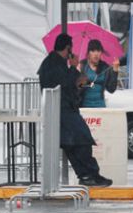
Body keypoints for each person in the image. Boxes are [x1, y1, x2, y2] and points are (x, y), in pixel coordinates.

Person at [37, 33, 113, 187]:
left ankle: (88, 175)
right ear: (68, 48)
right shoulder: (53, 63)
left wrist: (78, 75)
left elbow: (76, 82)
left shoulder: (56, 62)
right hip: (62, 110)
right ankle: (89, 174)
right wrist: (73, 67)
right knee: (81, 139)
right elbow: (63, 83)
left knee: (72, 143)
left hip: (66, 110)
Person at [78, 39, 119, 108]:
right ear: (88, 52)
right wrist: (77, 75)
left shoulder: (105, 67)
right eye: (93, 51)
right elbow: (77, 88)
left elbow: (111, 89)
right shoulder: (82, 66)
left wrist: (115, 70)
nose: (96, 54)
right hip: (84, 106)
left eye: (98, 51)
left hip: (100, 106)